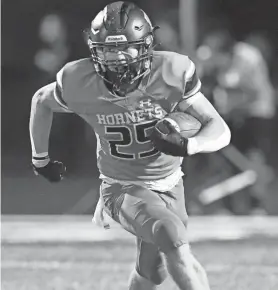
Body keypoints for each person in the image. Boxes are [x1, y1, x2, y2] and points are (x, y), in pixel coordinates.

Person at [29, 2, 231, 290]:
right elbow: (41, 100)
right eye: (107, 49)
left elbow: (218, 128)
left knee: (152, 273)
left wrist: (190, 145)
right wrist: (40, 158)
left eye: (125, 48)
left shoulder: (171, 71)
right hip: (121, 187)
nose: (116, 58)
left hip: (171, 184)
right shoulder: (80, 79)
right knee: (171, 237)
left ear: (146, 46)